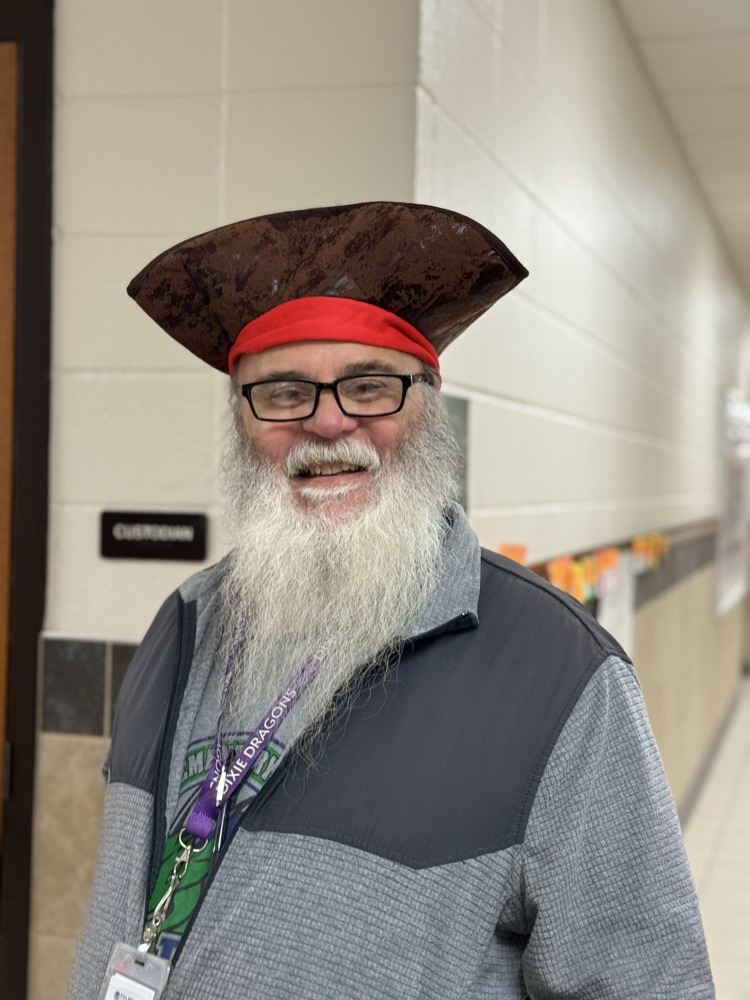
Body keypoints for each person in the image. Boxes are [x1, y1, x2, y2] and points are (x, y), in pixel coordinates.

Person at [68, 202, 714, 999]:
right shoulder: (185, 624)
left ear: (427, 408)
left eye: (370, 386)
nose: (328, 421)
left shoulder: (564, 676)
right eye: (283, 393)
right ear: (241, 419)